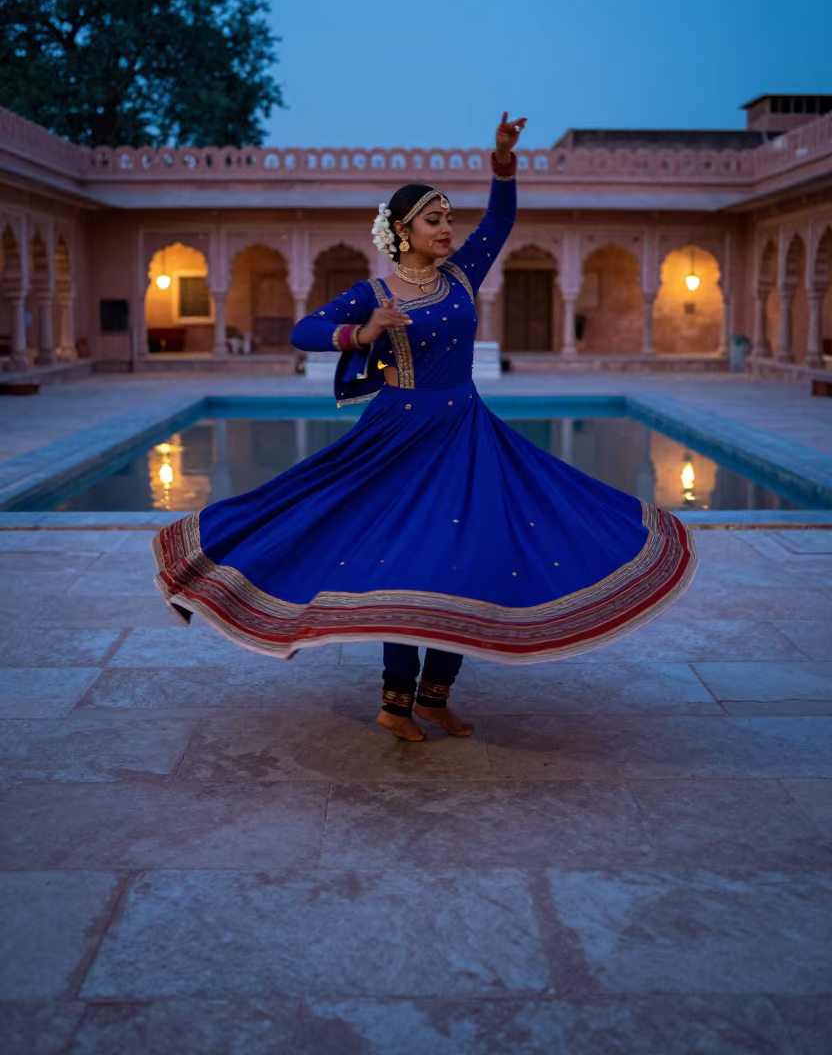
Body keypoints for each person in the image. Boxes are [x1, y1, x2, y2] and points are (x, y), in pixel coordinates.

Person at [152, 112, 697, 743]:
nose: (447, 230)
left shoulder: (462, 275)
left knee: (464, 557)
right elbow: (305, 331)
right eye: (434, 220)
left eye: (448, 220)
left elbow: (501, 221)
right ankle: (393, 704)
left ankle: (435, 698)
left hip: (466, 434)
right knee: (402, 560)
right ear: (402, 230)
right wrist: (361, 332)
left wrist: (501, 160)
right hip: (397, 439)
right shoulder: (375, 290)